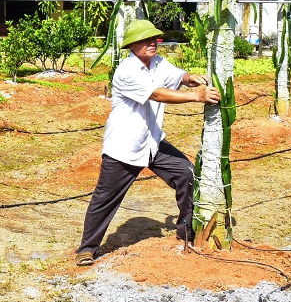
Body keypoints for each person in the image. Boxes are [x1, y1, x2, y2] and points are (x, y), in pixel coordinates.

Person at [75, 19, 220, 266]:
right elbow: (156, 93)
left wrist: (189, 78)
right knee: (106, 197)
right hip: (125, 146)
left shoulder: (158, 63)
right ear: (132, 45)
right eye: (144, 40)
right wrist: (195, 96)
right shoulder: (127, 71)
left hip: (152, 143)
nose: (151, 43)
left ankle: (185, 232)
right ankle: (86, 249)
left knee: (186, 174)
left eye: (154, 39)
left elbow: (176, 76)